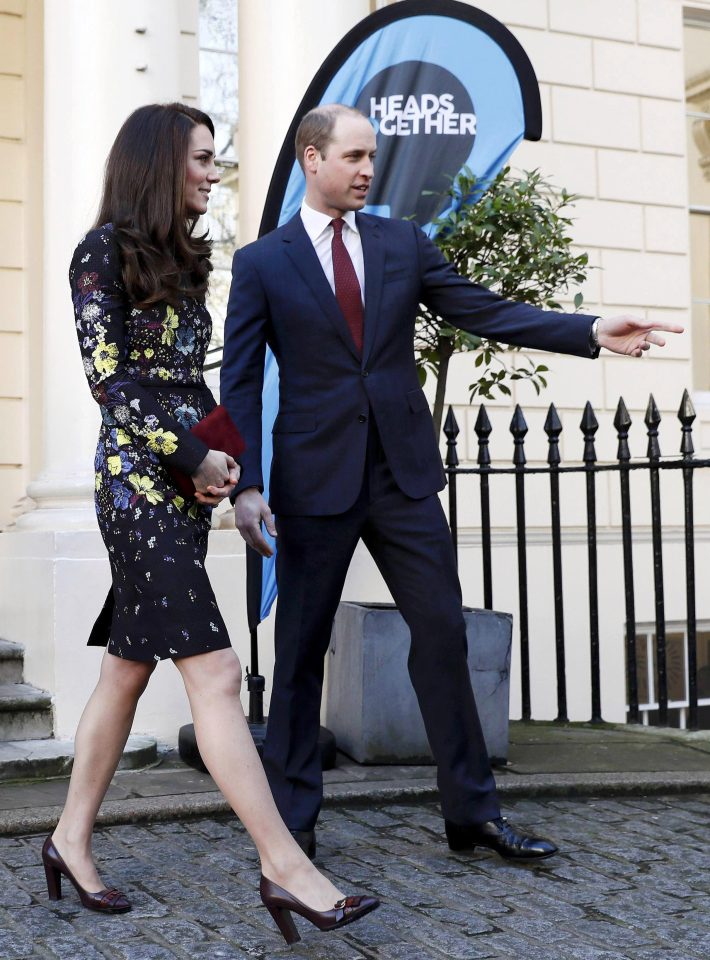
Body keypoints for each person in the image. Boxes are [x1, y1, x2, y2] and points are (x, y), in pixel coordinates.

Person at [221, 103, 683, 863]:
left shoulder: (403, 242)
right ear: (312, 158)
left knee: (441, 634)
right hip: (311, 481)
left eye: (374, 157)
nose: (369, 169)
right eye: (355, 156)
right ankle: (294, 826)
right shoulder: (263, 263)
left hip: (401, 477)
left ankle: (472, 815)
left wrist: (591, 330)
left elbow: (485, 311)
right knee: (300, 654)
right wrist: (245, 486)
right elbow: (239, 382)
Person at [46, 102, 378, 945]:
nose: (213, 171)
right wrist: (189, 458)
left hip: (184, 489)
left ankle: (68, 840)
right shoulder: (101, 251)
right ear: (161, 162)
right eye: (201, 158)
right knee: (220, 672)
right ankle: (285, 866)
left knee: (127, 671)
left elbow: (194, 385)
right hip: (133, 492)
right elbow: (112, 384)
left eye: (215, 158)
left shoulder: (186, 260)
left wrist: (225, 467)